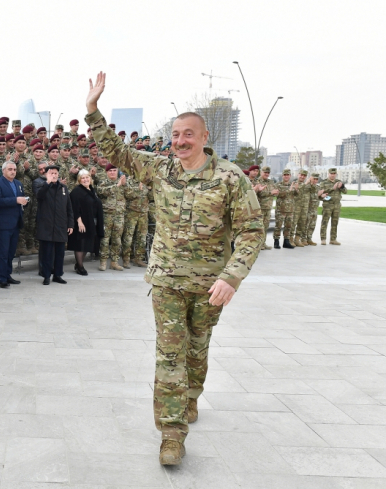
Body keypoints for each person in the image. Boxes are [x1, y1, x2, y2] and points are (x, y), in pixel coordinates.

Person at [85, 72, 263, 465]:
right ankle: (171, 433)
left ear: (204, 138)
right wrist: (93, 109)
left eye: (187, 134)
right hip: (166, 280)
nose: (179, 141)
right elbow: (116, 151)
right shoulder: (160, 169)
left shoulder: (230, 179)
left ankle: (191, 398)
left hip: (210, 285)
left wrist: (231, 277)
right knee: (170, 353)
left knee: (197, 350)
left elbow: (252, 231)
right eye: (175, 134)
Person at [36, 165, 73, 285]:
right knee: (47, 253)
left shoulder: (63, 188)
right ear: (46, 174)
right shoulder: (41, 186)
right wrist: (47, 183)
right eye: (51, 173)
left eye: (56, 173)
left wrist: (70, 224)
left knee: (60, 253)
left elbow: (69, 208)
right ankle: (46, 276)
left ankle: (58, 275)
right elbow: (39, 196)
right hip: (46, 226)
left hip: (60, 226)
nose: (54, 175)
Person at [0, 161, 26, 288]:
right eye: (10, 169)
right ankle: (1, 278)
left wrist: (23, 201)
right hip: (4, 224)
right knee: (3, 252)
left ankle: (7, 275)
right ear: (3, 170)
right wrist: (16, 200)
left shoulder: (18, 183)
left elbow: (20, 198)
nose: (13, 171)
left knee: (11, 252)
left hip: (16, 222)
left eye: (15, 169)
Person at [68, 170, 103, 275]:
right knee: (81, 244)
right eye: (83, 178)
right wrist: (79, 222)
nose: (85, 179)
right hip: (82, 222)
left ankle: (79, 263)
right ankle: (80, 266)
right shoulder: (76, 191)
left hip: (92, 222)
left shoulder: (92, 190)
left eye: (87, 177)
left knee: (88, 244)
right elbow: (74, 207)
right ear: (79, 180)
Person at [97, 163, 126, 271]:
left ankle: (114, 262)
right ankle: (103, 262)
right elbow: (101, 192)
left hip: (119, 215)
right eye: (110, 171)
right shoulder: (103, 183)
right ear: (106, 172)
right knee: (105, 240)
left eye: (114, 170)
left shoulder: (123, 183)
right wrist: (117, 185)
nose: (112, 172)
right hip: (107, 215)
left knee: (117, 240)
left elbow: (130, 195)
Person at [122, 176, 150, 268]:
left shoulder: (147, 181)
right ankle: (126, 259)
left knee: (142, 237)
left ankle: (139, 258)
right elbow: (128, 194)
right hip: (131, 212)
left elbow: (150, 196)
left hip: (144, 213)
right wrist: (139, 190)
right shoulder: (129, 181)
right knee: (128, 237)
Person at [319, 167, 347, 245]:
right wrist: (332, 188)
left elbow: (345, 191)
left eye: (334, 174)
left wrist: (342, 187)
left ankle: (333, 239)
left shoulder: (339, 182)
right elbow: (321, 192)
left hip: (336, 205)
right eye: (331, 174)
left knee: (335, 222)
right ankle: (323, 239)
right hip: (327, 205)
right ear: (328, 174)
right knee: (325, 222)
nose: (333, 175)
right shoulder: (323, 182)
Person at [253, 166, 277, 250]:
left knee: (266, 226)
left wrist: (275, 192)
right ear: (261, 172)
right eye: (265, 172)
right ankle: (258, 244)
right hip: (260, 207)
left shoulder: (271, 182)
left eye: (268, 173)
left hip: (268, 207)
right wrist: (270, 193)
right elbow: (260, 193)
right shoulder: (257, 181)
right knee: (259, 227)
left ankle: (263, 243)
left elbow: (275, 190)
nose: (266, 174)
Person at [273, 169, 297, 249]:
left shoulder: (292, 184)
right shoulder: (278, 185)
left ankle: (286, 241)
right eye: (285, 175)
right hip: (281, 209)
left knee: (288, 226)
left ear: (290, 176)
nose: (286, 176)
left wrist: (296, 189)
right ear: (282, 176)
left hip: (290, 209)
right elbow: (278, 194)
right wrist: (288, 190)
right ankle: (276, 241)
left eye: (288, 175)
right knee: (278, 226)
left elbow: (297, 194)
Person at [291, 169, 311, 247]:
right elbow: (294, 192)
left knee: (301, 224)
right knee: (293, 224)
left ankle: (297, 239)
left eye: (304, 176)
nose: (302, 177)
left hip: (304, 207)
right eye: (301, 175)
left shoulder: (308, 185)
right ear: (298, 175)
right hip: (296, 207)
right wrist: (305, 183)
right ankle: (290, 239)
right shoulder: (294, 183)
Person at [305, 173, 321, 245]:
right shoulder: (307, 187)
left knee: (312, 225)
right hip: (308, 209)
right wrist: (307, 183)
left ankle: (309, 239)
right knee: (306, 225)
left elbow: (320, 197)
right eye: (314, 179)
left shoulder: (318, 187)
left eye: (316, 179)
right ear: (310, 178)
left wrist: (323, 196)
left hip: (315, 209)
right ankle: (304, 239)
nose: (315, 180)